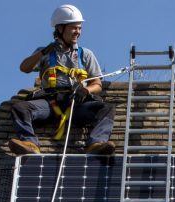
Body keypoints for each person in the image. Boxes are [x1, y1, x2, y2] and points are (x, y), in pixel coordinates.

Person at [10, 5, 115, 156]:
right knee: (20, 108)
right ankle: (30, 143)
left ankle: (96, 144)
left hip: (77, 104)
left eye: (79, 28)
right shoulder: (45, 53)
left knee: (106, 108)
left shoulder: (85, 54)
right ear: (60, 28)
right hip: (51, 103)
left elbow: (97, 84)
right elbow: (24, 67)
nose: (78, 32)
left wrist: (85, 90)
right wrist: (44, 52)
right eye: (74, 28)